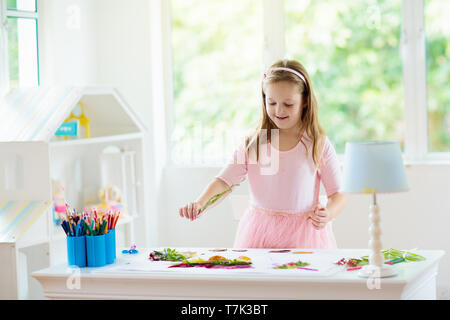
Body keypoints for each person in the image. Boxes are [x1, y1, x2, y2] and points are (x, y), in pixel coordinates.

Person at [179, 59, 347, 249]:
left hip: (305, 237)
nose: (278, 110)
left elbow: (338, 194)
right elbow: (224, 181)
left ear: (305, 101)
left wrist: (328, 213)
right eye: (272, 102)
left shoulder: (317, 143)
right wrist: (200, 203)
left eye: (288, 104)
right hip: (259, 235)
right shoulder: (255, 144)